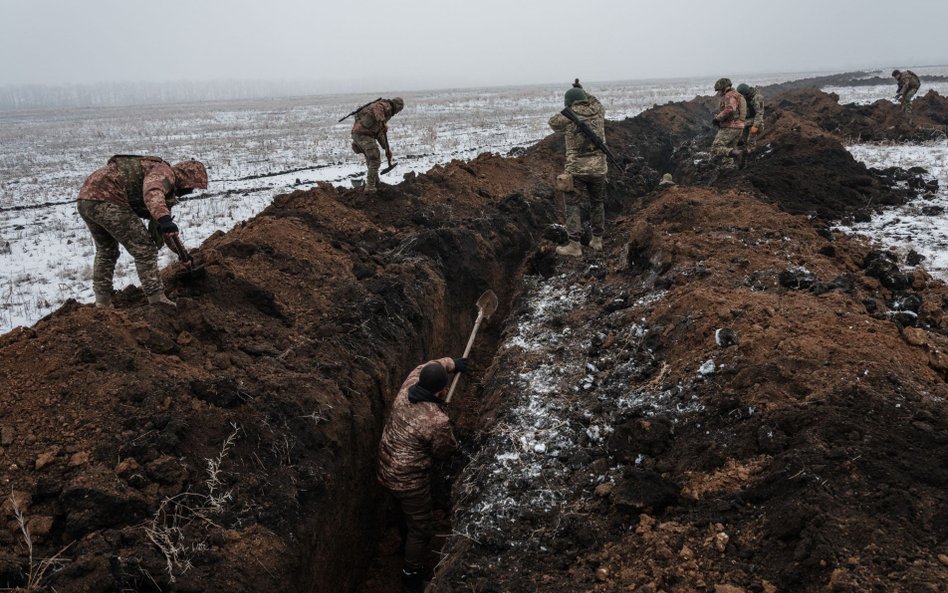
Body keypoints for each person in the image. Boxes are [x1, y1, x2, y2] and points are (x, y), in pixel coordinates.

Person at [377, 357, 469, 593]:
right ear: (441, 391)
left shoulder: (409, 384)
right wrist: (446, 423)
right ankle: (411, 576)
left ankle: (402, 540)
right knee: (421, 529)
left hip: (384, 467)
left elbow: (428, 364)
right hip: (409, 481)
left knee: (400, 510)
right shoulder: (436, 422)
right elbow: (443, 451)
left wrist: (453, 363)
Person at [77, 155, 208, 308]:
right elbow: (152, 191)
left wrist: (183, 254)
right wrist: (165, 219)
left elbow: (166, 231)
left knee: (107, 251)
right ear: (186, 177)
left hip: (86, 199)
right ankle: (156, 298)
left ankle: (102, 301)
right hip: (109, 198)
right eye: (191, 187)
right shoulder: (165, 172)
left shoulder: (163, 191)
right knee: (144, 248)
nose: (189, 191)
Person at [548, 79, 608, 257]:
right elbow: (594, 100)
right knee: (597, 203)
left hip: (576, 170)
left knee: (573, 205)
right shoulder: (599, 111)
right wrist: (582, 91)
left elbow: (552, 122)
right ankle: (597, 241)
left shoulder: (567, 116)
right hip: (599, 168)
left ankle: (574, 246)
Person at [350, 97, 404, 193]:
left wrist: (387, 149)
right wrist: (381, 120)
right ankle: (370, 187)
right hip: (363, 135)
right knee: (375, 159)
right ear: (397, 107)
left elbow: (379, 133)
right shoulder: (384, 105)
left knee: (371, 159)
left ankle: (375, 182)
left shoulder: (386, 113)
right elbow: (377, 107)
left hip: (360, 134)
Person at [710, 78, 747, 170]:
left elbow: (730, 109)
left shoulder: (729, 95)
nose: (718, 93)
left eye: (719, 90)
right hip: (739, 127)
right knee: (728, 148)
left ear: (723, 88)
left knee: (715, 148)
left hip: (731, 127)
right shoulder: (738, 95)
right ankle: (729, 169)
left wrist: (718, 118)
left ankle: (738, 154)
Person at [736, 83, 764, 153]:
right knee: (744, 135)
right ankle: (747, 148)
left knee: (750, 139)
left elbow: (759, 113)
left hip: (757, 121)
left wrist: (755, 126)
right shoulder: (745, 97)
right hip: (749, 119)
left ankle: (752, 152)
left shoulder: (757, 98)